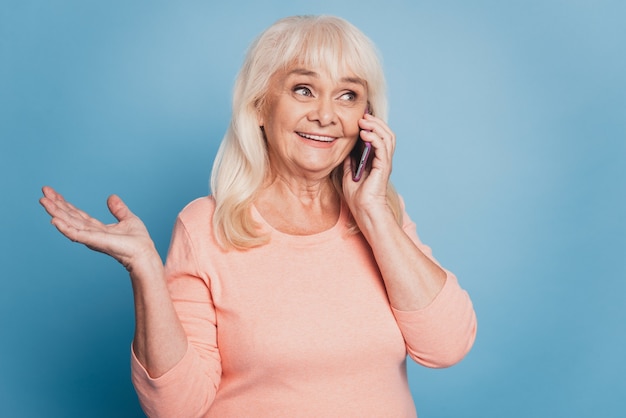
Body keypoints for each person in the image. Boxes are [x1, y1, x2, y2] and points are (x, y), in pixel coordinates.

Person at [40, 15, 477, 418]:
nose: (325, 115)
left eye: (348, 95)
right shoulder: (204, 227)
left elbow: (447, 346)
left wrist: (375, 214)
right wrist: (146, 272)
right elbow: (177, 407)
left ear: (366, 120)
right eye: (303, 89)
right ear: (259, 106)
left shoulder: (383, 217)